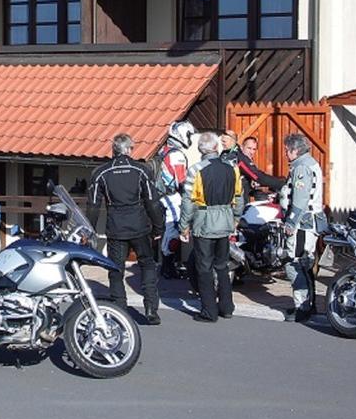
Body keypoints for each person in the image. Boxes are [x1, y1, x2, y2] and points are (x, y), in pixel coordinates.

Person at [87, 133, 165, 325]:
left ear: (113, 150)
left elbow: (93, 206)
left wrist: (89, 231)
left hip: (116, 227)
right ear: (130, 149)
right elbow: (152, 202)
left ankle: (120, 309)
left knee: (116, 270)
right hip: (139, 226)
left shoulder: (101, 173)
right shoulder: (141, 170)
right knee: (147, 265)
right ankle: (150, 309)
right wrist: (158, 227)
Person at [179, 133, 243, 322]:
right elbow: (239, 196)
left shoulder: (196, 170)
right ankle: (227, 306)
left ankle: (209, 310)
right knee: (222, 265)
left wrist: (184, 225)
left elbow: (188, 202)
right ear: (216, 147)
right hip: (225, 220)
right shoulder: (232, 167)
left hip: (204, 222)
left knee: (204, 267)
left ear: (201, 149)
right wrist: (236, 217)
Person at [278, 133, 328, 323]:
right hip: (308, 222)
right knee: (305, 264)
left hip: (303, 224)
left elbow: (300, 198)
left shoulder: (302, 167)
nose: (285, 154)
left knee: (295, 263)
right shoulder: (309, 163)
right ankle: (308, 304)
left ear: (295, 150)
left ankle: (302, 307)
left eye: (286, 150)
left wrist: (291, 222)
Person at [154, 120, 194, 279]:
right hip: (171, 197)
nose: (190, 138)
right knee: (174, 230)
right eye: (189, 134)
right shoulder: (176, 154)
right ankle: (168, 267)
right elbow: (182, 181)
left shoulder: (164, 150)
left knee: (171, 231)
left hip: (163, 196)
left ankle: (169, 265)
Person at [236, 135, 285, 208]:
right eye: (249, 148)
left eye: (254, 149)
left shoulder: (245, 158)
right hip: (237, 201)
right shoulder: (241, 159)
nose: (251, 152)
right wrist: (279, 183)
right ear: (242, 147)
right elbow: (257, 176)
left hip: (242, 197)